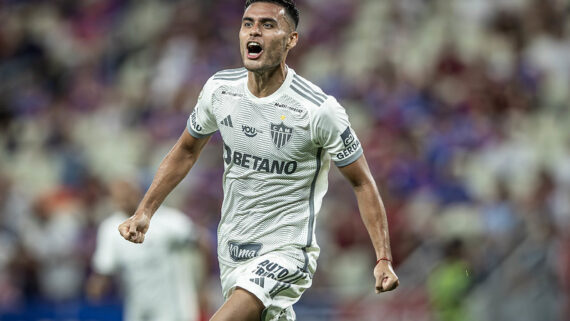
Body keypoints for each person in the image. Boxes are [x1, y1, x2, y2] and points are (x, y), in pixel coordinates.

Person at [118, 0, 399, 320]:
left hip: (288, 252)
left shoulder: (319, 111)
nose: (255, 31)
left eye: (268, 25)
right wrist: (145, 212)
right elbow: (185, 150)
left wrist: (382, 258)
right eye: (248, 23)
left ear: (291, 39)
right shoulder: (220, 90)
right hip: (233, 251)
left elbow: (362, 182)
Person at [88, 179, 208, 321]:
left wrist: (202, 287)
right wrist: (96, 287)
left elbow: (202, 243)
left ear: (138, 192)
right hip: (138, 307)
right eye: (118, 197)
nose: (123, 200)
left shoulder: (168, 220)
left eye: (127, 194)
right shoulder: (111, 229)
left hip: (174, 305)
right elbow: (104, 269)